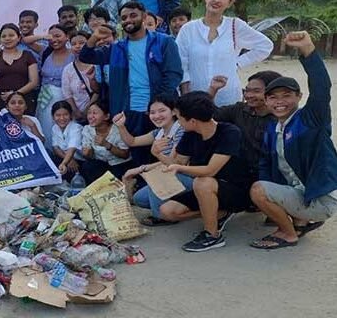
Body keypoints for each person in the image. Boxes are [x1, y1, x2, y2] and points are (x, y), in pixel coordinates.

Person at [249, 31, 337, 249]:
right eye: (273, 97)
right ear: (266, 101)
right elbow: (266, 164)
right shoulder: (273, 127)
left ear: (299, 97)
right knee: (260, 187)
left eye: (287, 95)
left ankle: (288, 234)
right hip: (300, 191)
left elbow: (321, 88)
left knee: (258, 190)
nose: (280, 102)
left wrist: (308, 50)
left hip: (320, 198)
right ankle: (299, 221)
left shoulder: (311, 119)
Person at [79, 1, 182, 164]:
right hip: (128, 113)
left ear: (144, 17)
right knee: (137, 159)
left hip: (159, 112)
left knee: (165, 156)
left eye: (133, 15)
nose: (128, 20)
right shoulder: (117, 48)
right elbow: (86, 56)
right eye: (124, 17)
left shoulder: (164, 42)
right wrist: (94, 37)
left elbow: (174, 75)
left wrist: (157, 105)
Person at [158, 91, 253, 252]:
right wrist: (157, 154)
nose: (178, 122)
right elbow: (177, 162)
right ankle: (220, 213)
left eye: (180, 118)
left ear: (193, 120)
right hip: (208, 189)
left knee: (202, 182)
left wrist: (180, 168)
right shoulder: (190, 133)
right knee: (167, 212)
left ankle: (212, 235)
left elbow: (210, 170)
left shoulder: (229, 132)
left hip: (237, 190)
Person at [177, 0, 273, 107]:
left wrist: (237, 63)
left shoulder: (235, 26)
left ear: (230, 3)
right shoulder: (189, 29)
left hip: (228, 97)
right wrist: (185, 93)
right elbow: (181, 63)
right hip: (195, 96)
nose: (217, 0)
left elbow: (265, 46)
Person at [114, 93, 184, 225]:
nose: (157, 116)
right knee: (140, 199)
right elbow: (132, 141)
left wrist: (142, 168)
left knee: (154, 177)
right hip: (169, 173)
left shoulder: (180, 130)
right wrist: (121, 126)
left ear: (174, 111)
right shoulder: (159, 132)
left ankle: (163, 217)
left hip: (183, 174)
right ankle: (175, 207)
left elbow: (173, 162)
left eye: (162, 110)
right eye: (152, 112)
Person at [209, 70, 281, 183]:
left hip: (269, 176)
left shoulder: (281, 118)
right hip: (238, 173)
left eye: (256, 91)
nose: (248, 95)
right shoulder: (239, 110)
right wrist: (213, 89)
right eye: (247, 90)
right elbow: (209, 114)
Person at [0, 23, 39, 114]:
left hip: (23, 100)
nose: (7, 38)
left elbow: (34, 82)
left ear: (19, 37)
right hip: (2, 100)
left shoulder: (27, 55)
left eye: (11, 35)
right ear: (0, 39)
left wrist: (14, 94)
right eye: (4, 36)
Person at [36, 24, 75, 148]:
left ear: (67, 36)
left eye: (58, 36)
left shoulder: (74, 55)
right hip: (45, 98)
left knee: (64, 126)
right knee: (46, 127)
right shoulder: (46, 53)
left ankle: (68, 156)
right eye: (50, 37)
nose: (54, 40)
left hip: (64, 97)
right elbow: (25, 40)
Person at [80, 100, 134, 184]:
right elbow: (89, 156)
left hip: (120, 165)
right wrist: (87, 153)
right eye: (89, 113)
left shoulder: (117, 130)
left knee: (118, 176)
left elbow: (125, 155)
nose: (91, 116)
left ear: (106, 116)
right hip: (102, 165)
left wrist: (107, 145)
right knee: (87, 166)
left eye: (95, 113)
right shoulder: (87, 129)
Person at [61, 31, 97, 123]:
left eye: (82, 43)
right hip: (77, 116)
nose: (77, 46)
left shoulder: (97, 65)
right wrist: (75, 111)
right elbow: (67, 93)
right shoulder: (68, 69)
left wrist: (87, 110)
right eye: (73, 44)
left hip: (97, 113)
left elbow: (99, 91)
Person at [50, 101, 83, 184]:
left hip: (79, 161)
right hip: (68, 159)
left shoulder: (76, 128)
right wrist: (68, 160)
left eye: (65, 115)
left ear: (71, 115)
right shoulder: (55, 128)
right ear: (53, 117)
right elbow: (55, 148)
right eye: (58, 115)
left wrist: (64, 163)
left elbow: (72, 148)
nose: (62, 118)